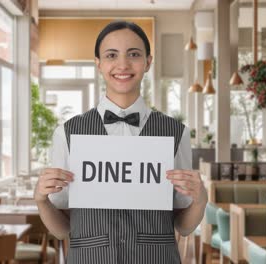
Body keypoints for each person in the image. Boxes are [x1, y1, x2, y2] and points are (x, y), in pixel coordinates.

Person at [34, 20, 207, 264]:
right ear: (98, 64)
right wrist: (41, 200)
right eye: (111, 55)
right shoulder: (67, 133)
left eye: (134, 54)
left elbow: (183, 225)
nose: (123, 64)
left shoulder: (176, 133)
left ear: (148, 62)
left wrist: (201, 200)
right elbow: (63, 229)